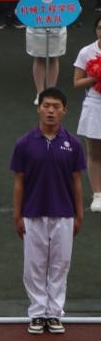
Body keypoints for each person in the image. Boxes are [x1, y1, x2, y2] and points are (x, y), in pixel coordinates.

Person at [11, 87, 85, 334]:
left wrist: (79, 212)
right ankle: (37, 312)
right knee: (34, 265)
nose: (51, 111)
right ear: (38, 108)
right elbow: (19, 181)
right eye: (46, 106)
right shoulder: (24, 143)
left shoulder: (72, 144)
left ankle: (54, 313)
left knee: (60, 264)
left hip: (64, 213)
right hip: (33, 213)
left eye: (56, 107)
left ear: (64, 111)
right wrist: (17, 214)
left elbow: (76, 180)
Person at [26, 0, 72, 104]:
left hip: (57, 21)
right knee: (38, 57)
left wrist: (73, 9)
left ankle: (51, 91)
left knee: (53, 57)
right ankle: (40, 93)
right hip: (37, 21)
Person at [71, 16, 101, 213]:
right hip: (95, 104)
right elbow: (77, 83)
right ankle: (98, 194)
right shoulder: (87, 52)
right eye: (99, 27)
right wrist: (95, 77)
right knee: (95, 153)